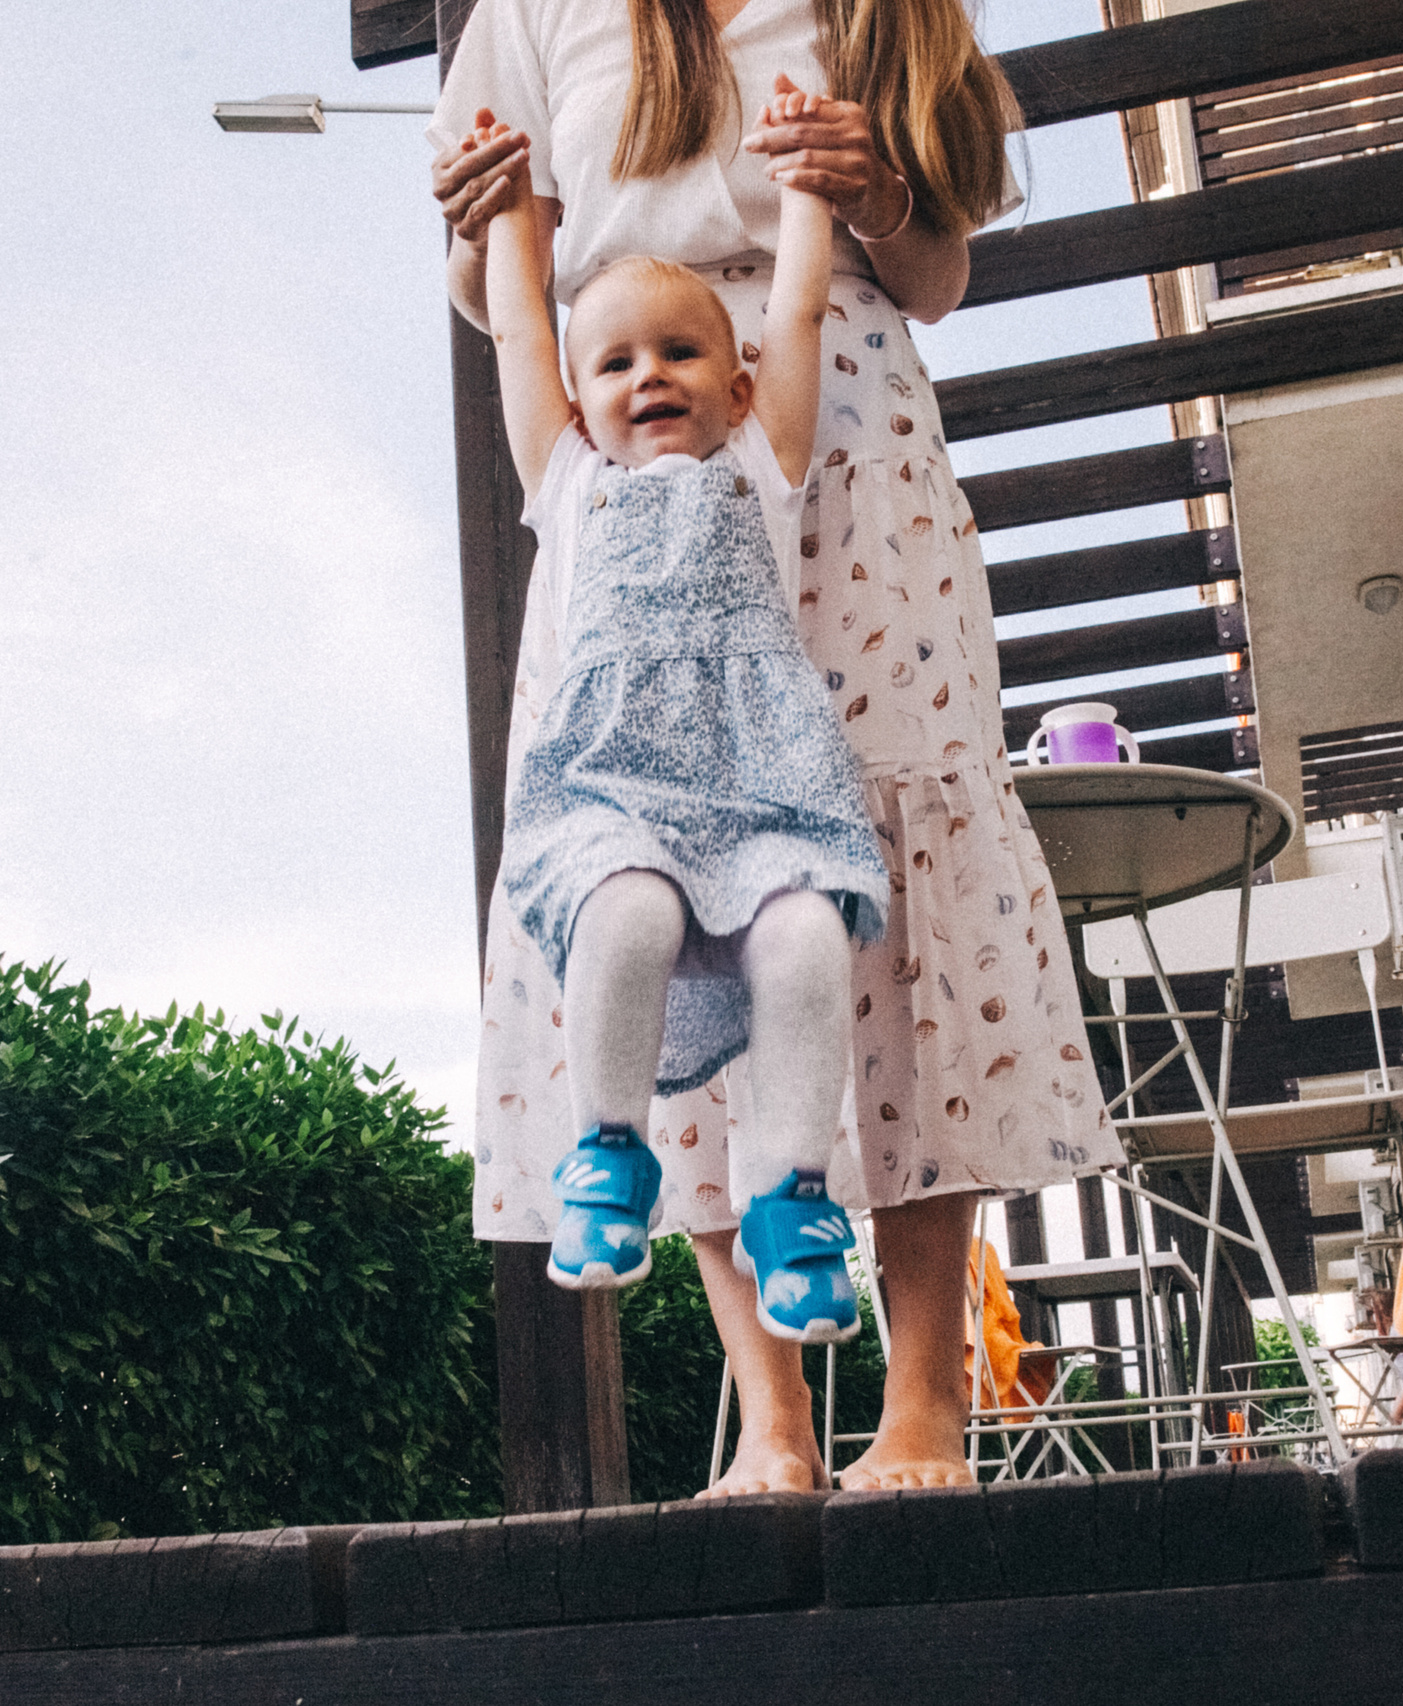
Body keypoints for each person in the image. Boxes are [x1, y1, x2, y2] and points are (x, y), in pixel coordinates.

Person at [433, 0, 1126, 1494]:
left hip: (844, 426)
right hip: (622, 447)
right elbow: (507, 287)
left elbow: (934, 276)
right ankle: (773, 1416)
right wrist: (480, 224)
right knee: (645, 884)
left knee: (877, 876)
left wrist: (868, 183)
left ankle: (926, 1406)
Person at [471, 88, 888, 1344]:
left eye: (680, 352)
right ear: (582, 395)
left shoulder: (760, 463)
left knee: (808, 935)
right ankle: (605, 1153)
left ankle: (792, 1196)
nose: (648, 374)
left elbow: (803, 303)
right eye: (615, 361)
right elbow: (509, 337)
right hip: (615, 792)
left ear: (737, 375)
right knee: (628, 909)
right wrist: (508, 211)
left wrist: (806, 187)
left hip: (761, 787)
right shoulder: (569, 483)